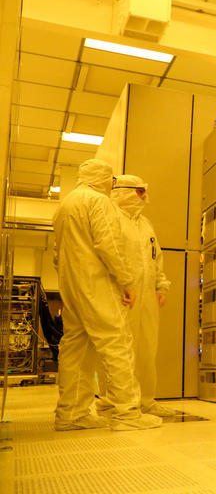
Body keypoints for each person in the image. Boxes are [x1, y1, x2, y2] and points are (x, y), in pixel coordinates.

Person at [52, 159, 162, 431]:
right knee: (118, 345)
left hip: (72, 285)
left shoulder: (65, 205)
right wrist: (126, 281)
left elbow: (57, 253)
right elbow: (108, 245)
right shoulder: (98, 202)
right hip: (96, 284)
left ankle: (70, 414)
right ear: (103, 179)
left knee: (76, 349)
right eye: (110, 180)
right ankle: (127, 413)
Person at [101, 174, 176, 417]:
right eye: (139, 191)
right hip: (121, 294)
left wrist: (160, 286)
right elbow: (109, 256)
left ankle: (146, 399)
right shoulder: (111, 219)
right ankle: (117, 401)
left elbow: (156, 258)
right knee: (121, 348)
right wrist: (122, 285)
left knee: (147, 348)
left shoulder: (145, 224)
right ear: (122, 191)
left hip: (147, 297)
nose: (144, 197)